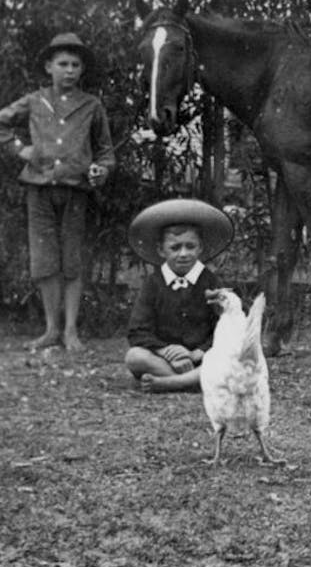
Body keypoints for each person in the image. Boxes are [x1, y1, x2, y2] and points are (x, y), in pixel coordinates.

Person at [0, 33, 115, 351]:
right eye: (62, 63)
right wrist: (21, 150)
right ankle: (51, 329)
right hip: (38, 189)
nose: (69, 70)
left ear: (82, 70)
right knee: (44, 260)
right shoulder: (35, 101)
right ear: (49, 67)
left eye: (75, 64)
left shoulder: (92, 105)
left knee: (72, 260)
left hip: (75, 191)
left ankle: (70, 331)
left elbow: (106, 152)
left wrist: (100, 169)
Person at [124, 198, 234, 392]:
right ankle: (192, 382)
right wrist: (166, 351)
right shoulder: (153, 283)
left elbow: (227, 325)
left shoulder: (210, 282)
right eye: (175, 248)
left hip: (202, 358)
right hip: (167, 360)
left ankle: (172, 383)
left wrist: (199, 352)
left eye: (190, 246)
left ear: (200, 248)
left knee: (229, 355)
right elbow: (137, 330)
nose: (183, 254)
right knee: (135, 356)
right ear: (161, 250)